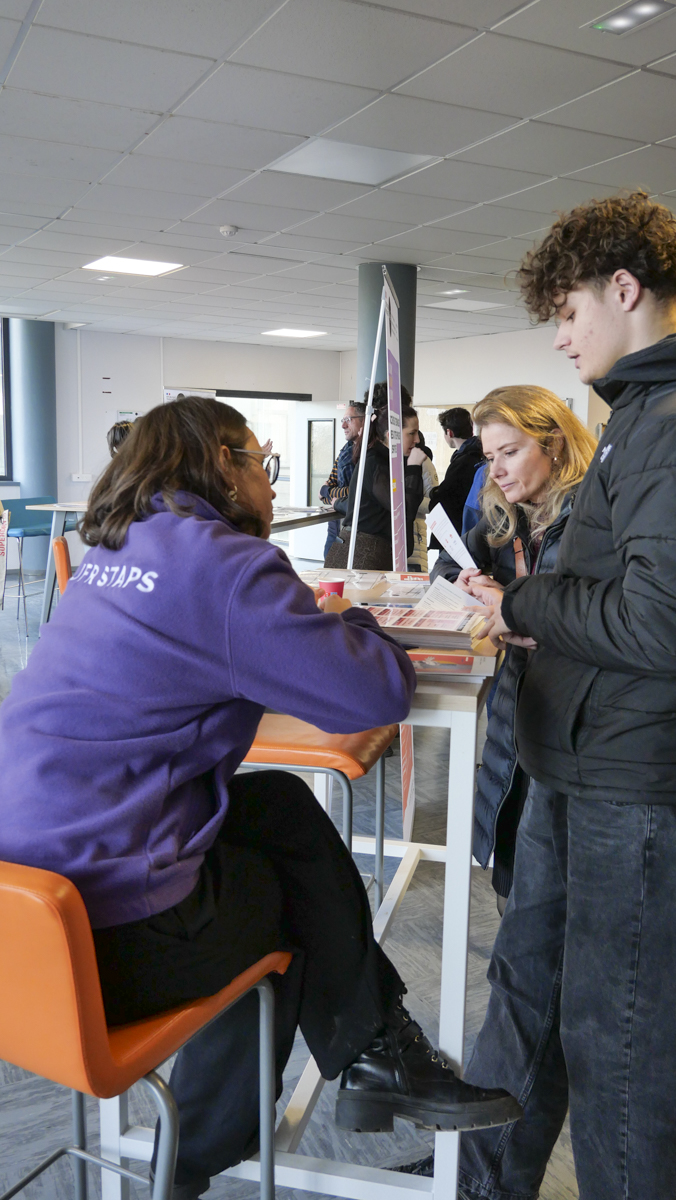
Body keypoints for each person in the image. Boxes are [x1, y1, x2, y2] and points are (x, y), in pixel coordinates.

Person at [0, 396, 521, 1200]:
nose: (272, 485)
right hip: (103, 942)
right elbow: (371, 693)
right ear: (221, 464)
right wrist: (356, 627)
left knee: (275, 804)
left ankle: (373, 1058)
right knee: (292, 903)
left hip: (23, 909)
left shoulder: (114, 547)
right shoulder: (225, 566)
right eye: (260, 463)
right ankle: (217, 1149)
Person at [428, 192, 676, 1199]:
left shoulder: (661, 422)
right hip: (574, 764)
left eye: (569, 313)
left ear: (623, 289)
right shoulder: (638, 414)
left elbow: (658, 621)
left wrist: (530, 602)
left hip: (628, 777)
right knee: (530, 997)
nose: (563, 338)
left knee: (615, 1041)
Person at [432, 387, 596, 915]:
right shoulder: (507, 518)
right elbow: (446, 573)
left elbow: (612, 625)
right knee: (514, 890)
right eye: (489, 457)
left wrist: (517, 611)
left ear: (555, 444)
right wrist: (465, 586)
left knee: (564, 905)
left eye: (511, 452)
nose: (497, 471)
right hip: (516, 721)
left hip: (580, 733)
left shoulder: (597, 522)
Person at [326, 383, 426, 570]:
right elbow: (404, 511)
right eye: (412, 434)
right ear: (391, 435)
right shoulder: (376, 462)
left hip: (370, 552)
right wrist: (413, 468)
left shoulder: (385, 460)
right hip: (362, 554)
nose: (417, 440)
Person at [428, 408, 484, 542]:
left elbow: (445, 497)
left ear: (449, 432)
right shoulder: (479, 453)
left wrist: (433, 493)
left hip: (457, 535)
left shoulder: (464, 461)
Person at [320, 403, 365, 559]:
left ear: (363, 421)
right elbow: (325, 494)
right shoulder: (345, 450)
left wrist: (327, 491)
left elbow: (356, 492)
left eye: (348, 419)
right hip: (335, 525)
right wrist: (327, 492)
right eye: (342, 420)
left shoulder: (369, 454)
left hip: (355, 529)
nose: (343, 425)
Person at [408, 429, 439, 573]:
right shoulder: (394, 462)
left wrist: (407, 500)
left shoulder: (424, 463)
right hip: (394, 532)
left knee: (416, 581)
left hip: (416, 529)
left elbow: (433, 503)